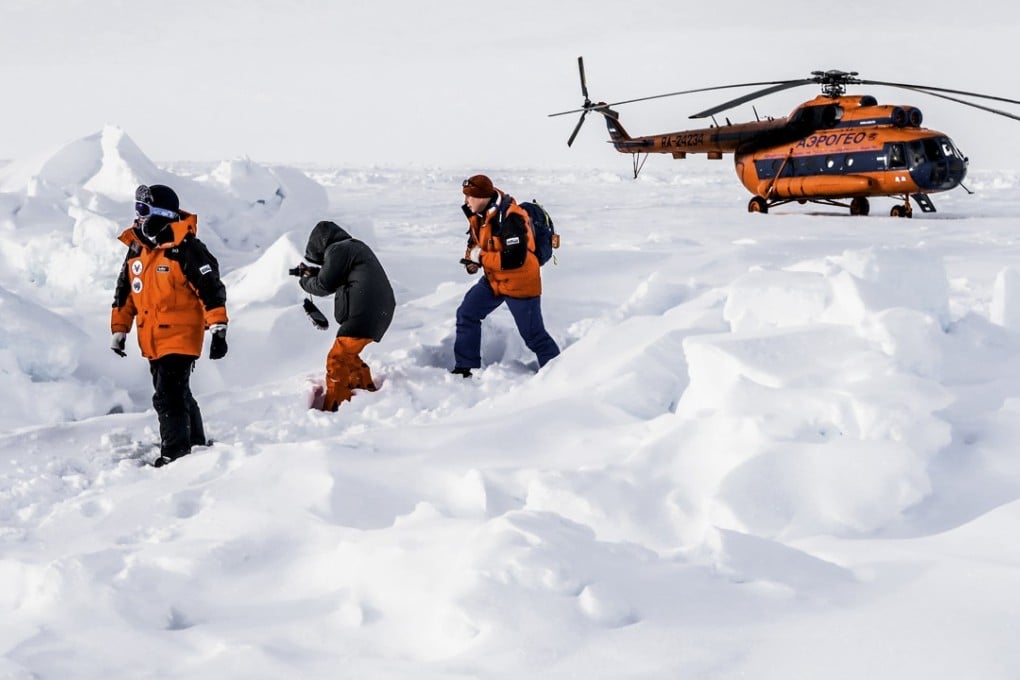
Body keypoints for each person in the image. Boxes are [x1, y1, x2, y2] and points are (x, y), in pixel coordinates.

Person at [110, 184, 229, 468]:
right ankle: (196, 441)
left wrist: (218, 329)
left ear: (160, 214)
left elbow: (210, 289)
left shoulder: (186, 249)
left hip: (180, 336)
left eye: (143, 210)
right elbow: (125, 291)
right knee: (178, 392)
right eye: (136, 209)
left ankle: (175, 454)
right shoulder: (138, 249)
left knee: (167, 396)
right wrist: (120, 329)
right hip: (152, 338)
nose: (137, 217)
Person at [453, 174, 559, 377]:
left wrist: (482, 258)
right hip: (494, 280)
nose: (466, 201)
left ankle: (559, 375)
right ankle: (464, 369)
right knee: (467, 313)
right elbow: (474, 241)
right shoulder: (478, 213)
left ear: (483, 196)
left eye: (469, 197)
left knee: (534, 336)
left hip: (521, 283)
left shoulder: (512, 218)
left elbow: (514, 259)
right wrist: (472, 261)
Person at [295, 220, 395, 411]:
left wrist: (305, 282)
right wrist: (314, 273)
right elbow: (336, 274)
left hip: (364, 314)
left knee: (337, 359)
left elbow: (324, 285)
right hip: (378, 311)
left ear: (321, 244)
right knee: (349, 356)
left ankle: (337, 407)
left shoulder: (338, 249)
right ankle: (365, 390)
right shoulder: (352, 248)